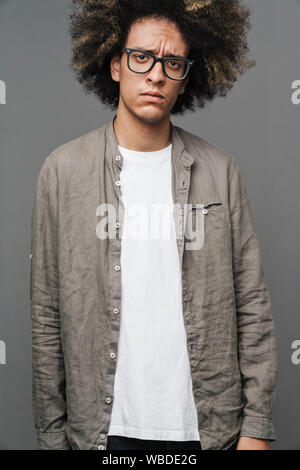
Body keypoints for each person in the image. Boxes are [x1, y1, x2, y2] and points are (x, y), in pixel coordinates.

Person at [30, 0, 278, 451]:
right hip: (103, 432)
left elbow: (253, 305)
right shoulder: (62, 172)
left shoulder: (221, 171)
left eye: (173, 63)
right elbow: (46, 314)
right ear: (115, 65)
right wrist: (51, 434)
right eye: (141, 57)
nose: (156, 74)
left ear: (186, 81)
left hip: (204, 430)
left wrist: (256, 427)